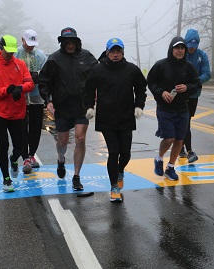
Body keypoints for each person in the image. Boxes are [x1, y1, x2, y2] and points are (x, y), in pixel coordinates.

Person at [84, 38, 147, 202]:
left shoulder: (131, 69)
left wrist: (139, 105)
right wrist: (90, 107)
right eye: (112, 51)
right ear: (107, 53)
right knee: (113, 152)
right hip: (106, 118)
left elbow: (141, 87)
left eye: (118, 51)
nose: (115, 54)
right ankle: (114, 187)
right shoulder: (98, 69)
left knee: (125, 153)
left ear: (123, 53)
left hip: (126, 117)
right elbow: (89, 89)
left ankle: (120, 170)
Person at [38, 27, 98, 190]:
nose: (70, 45)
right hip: (62, 107)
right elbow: (44, 82)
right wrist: (48, 101)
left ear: (77, 42)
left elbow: (99, 75)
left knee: (80, 138)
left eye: (73, 42)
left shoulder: (87, 57)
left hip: (82, 107)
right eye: (67, 42)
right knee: (62, 141)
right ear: (62, 42)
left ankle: (76, 176)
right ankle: (61, 158)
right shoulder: (54, 59)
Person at [0, 35, 34, 192]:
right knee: (3, 143)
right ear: (1, 47)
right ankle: (6, 179)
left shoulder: (20, 64)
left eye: (12, 52)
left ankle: (14, 160)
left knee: (19, 146)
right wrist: (6, 90)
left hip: (17, 111)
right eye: (7, 51)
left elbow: (29, 82)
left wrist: (20, 89)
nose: (10, 54)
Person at [147, 36, 201, 181]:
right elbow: (150, 82)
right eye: (177, 48)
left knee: (179, 140)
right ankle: (159, 158)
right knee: (169, 137)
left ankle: (170, 167)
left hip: (183, 108)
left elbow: (197, 84)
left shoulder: (189, 67)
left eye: (182, 48)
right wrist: (162, 92)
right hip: (165, 108)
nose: (180, 51)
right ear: (171, 49)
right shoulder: (161, 65)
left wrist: (187, 87)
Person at [15, 29, 47, 174]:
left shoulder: (40, 55)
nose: (30, 47)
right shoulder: (15, 54)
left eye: (32, 44)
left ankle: (31, 155)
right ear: (22, 40)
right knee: (21, 129)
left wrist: (37, 76)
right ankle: (24, 158)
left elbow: (47, 72)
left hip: (36, 97)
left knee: (35, 128)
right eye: (28, 44)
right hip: (20, 97)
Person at [180, 29, 211, 163]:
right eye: (189, 46)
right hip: (181, 93)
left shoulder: (201, 55)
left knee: (187, 121)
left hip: (194, 94)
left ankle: (180, 146)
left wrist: (196, 81)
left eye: (194, 46)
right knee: (184, 121)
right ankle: (189, 151)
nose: (191, 49)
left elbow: (207, 73)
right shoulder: (181, 53)